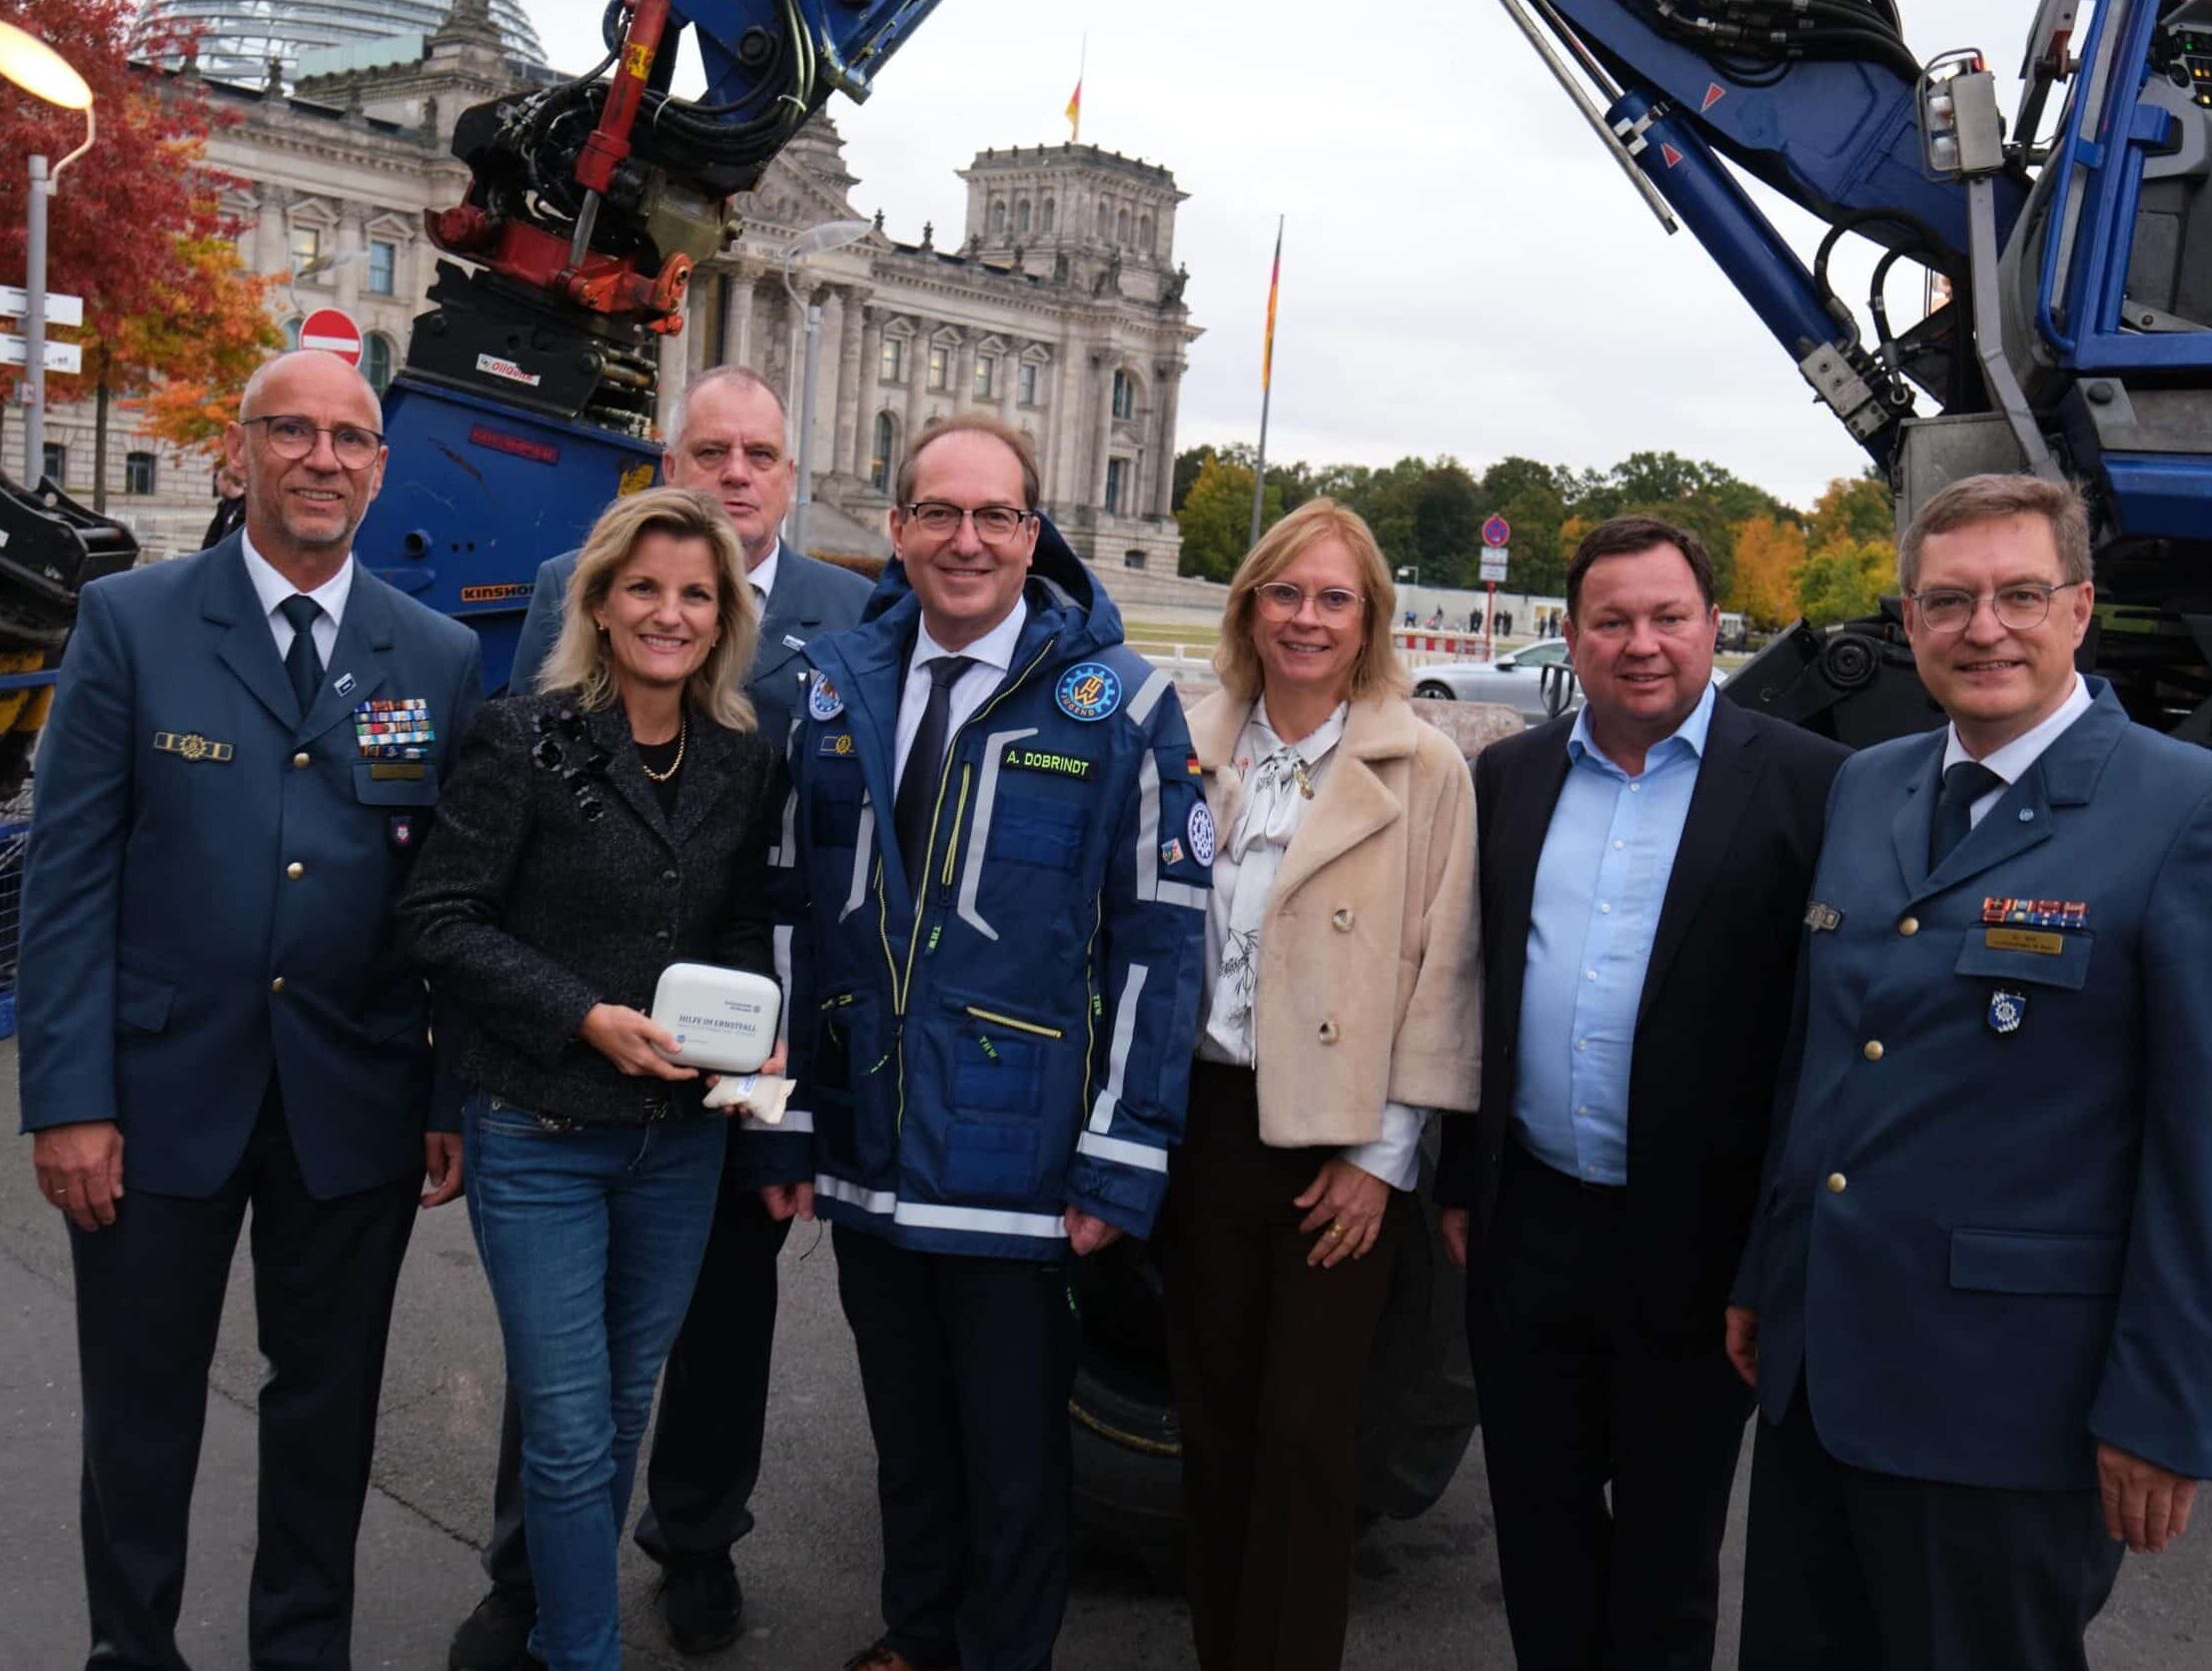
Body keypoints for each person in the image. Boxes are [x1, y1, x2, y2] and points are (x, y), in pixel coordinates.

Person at [17, 348, 484, 1670]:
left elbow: (441, 899)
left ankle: (299, 1649)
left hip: (353, 1101)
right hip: (153, 1095)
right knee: (142, 1405)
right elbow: (65, 883)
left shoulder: (435, 656)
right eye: (293, 430)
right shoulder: (132, 622)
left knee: (326, 1411)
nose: (321, 458)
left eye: (349, 437)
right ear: (240, 451)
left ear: (381, 468)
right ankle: (131, 1649)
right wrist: (68, 1097)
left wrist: (443, 1097)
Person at [743, 414, 1209, 1671]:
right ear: (897, 531)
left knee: (1014, 1455)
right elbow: (789, 910)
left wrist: (1122, 1156)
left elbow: (1164, 946)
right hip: (865, 1137)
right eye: (939, 514)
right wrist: (782, 1113)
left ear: (1031, 532)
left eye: (995, 515)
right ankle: (920, 1633)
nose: (966, 540)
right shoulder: (832, 683)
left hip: (1024, 1161)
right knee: (906, 1429)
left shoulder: (1119, 704)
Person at [1729, 472, 2212, 1671]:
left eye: (2019, 593)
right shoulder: (1869, 783)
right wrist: (1763, 1270)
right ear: (1908, 619)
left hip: (2007, 1404)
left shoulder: (2179, 808)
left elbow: (2198, 1144)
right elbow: (1820, 1058)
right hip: (1820, 1370)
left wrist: (2165, 1406)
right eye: (1948, 600)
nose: (1983, 626)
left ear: (2081, 607)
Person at [453, 365, 869, 1669]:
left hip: (745, 1048)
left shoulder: (852, 614)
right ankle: (529, 1570)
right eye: (711, 448)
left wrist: (776, 1081)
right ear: (668, 464)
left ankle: (695, 1537)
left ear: (790, 474)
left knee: (728, 1312)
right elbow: (517, 823)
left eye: (759, 451)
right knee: (564, 1350)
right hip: (569, 1065)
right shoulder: (571, 598)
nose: (736, 471)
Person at [1435, 515, 1846, 1669]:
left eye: (1670, 616)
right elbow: (1482, 986)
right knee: (1542, 1541)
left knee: (1667, 1563)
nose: (1643, 643)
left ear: (1715, 625)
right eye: (1612, 620)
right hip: (1533, 1231)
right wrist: (1466, 1178)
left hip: (1700, 1248)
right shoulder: (1512, 772)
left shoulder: (1813, 785)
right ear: (1570, 636)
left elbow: (1820, 1025)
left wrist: (1774, 1249)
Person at [399, 485, 784, 1671]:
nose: (670, 612)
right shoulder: (526, 733)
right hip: (543, 1128)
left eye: (696, 594)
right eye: (646, 589)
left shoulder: (740, 753)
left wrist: (756, 1032)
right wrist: (582, 1014)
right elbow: (440, 917)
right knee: (567, 1433)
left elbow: (732, 929)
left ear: (722, 619)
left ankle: (568, 1625)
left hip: (677, 1143)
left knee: (618, 1414)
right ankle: (584, 1651)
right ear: (602, 603)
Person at [1166, 498, 1480, 1670]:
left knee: (1306, 1439)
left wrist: (1381, 1157)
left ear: (1369, 621)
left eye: (1333, 598)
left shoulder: (1423, 763)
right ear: (1249, 603)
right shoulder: (1185, 740)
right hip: (1201, 1124)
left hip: (1338, 1144)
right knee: (1214, 1425)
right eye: (1285, 592)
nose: (1306, 617)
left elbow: (1443, 965)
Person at [201, 460, 247, 550]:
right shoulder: (224, 505)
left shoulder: (246, 507)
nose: (216, 484)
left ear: (228, 482)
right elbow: (213, 536)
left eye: (218, 480)